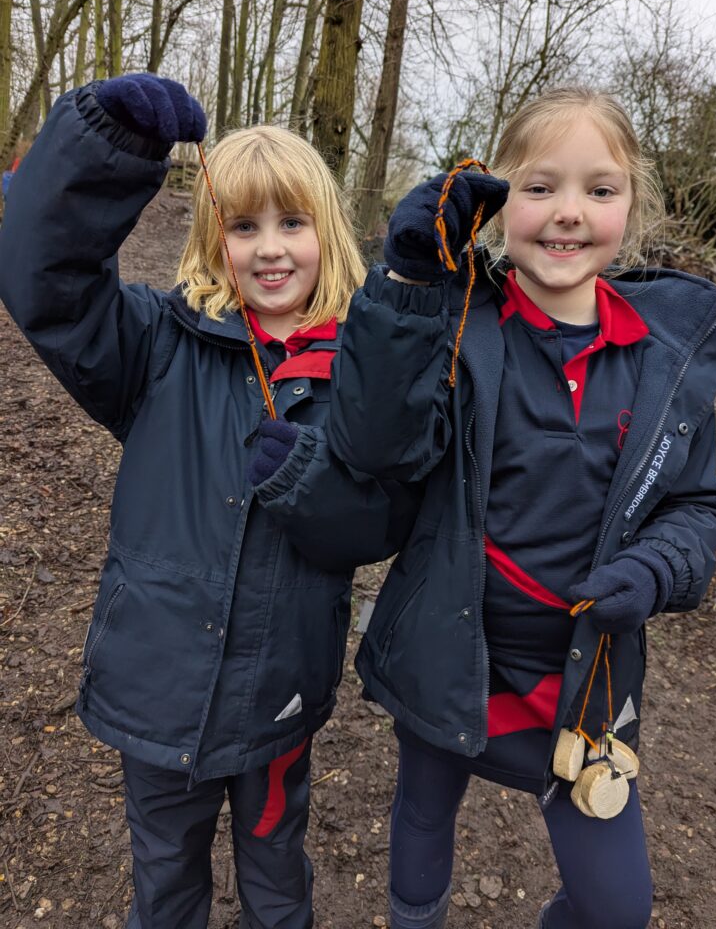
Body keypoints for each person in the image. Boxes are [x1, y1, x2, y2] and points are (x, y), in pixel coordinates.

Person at [298, 86, 716, 928]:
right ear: (499, 198)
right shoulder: (457, 324)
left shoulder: (661, 365)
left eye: (599, 189)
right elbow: (373, 446)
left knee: (615, 906)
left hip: (582, 682)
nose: (568, 213)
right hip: (450, 656)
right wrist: (403, 281)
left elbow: (697, 509)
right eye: (539, 188)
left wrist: (654, 570)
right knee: (423, 819)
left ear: (633, 205)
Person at [0, 73, 417, 929]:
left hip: (277, 698)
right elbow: (45, 279)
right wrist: (104, 149)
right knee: (165, 879)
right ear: (211, 236)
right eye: (244, 225)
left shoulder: (358, 372)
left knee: (275, 877)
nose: (270, 248)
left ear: (327, 233)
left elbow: (382, 523)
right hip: (155, 688)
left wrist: (308, 482)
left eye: (292, 223)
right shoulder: (154, 344)